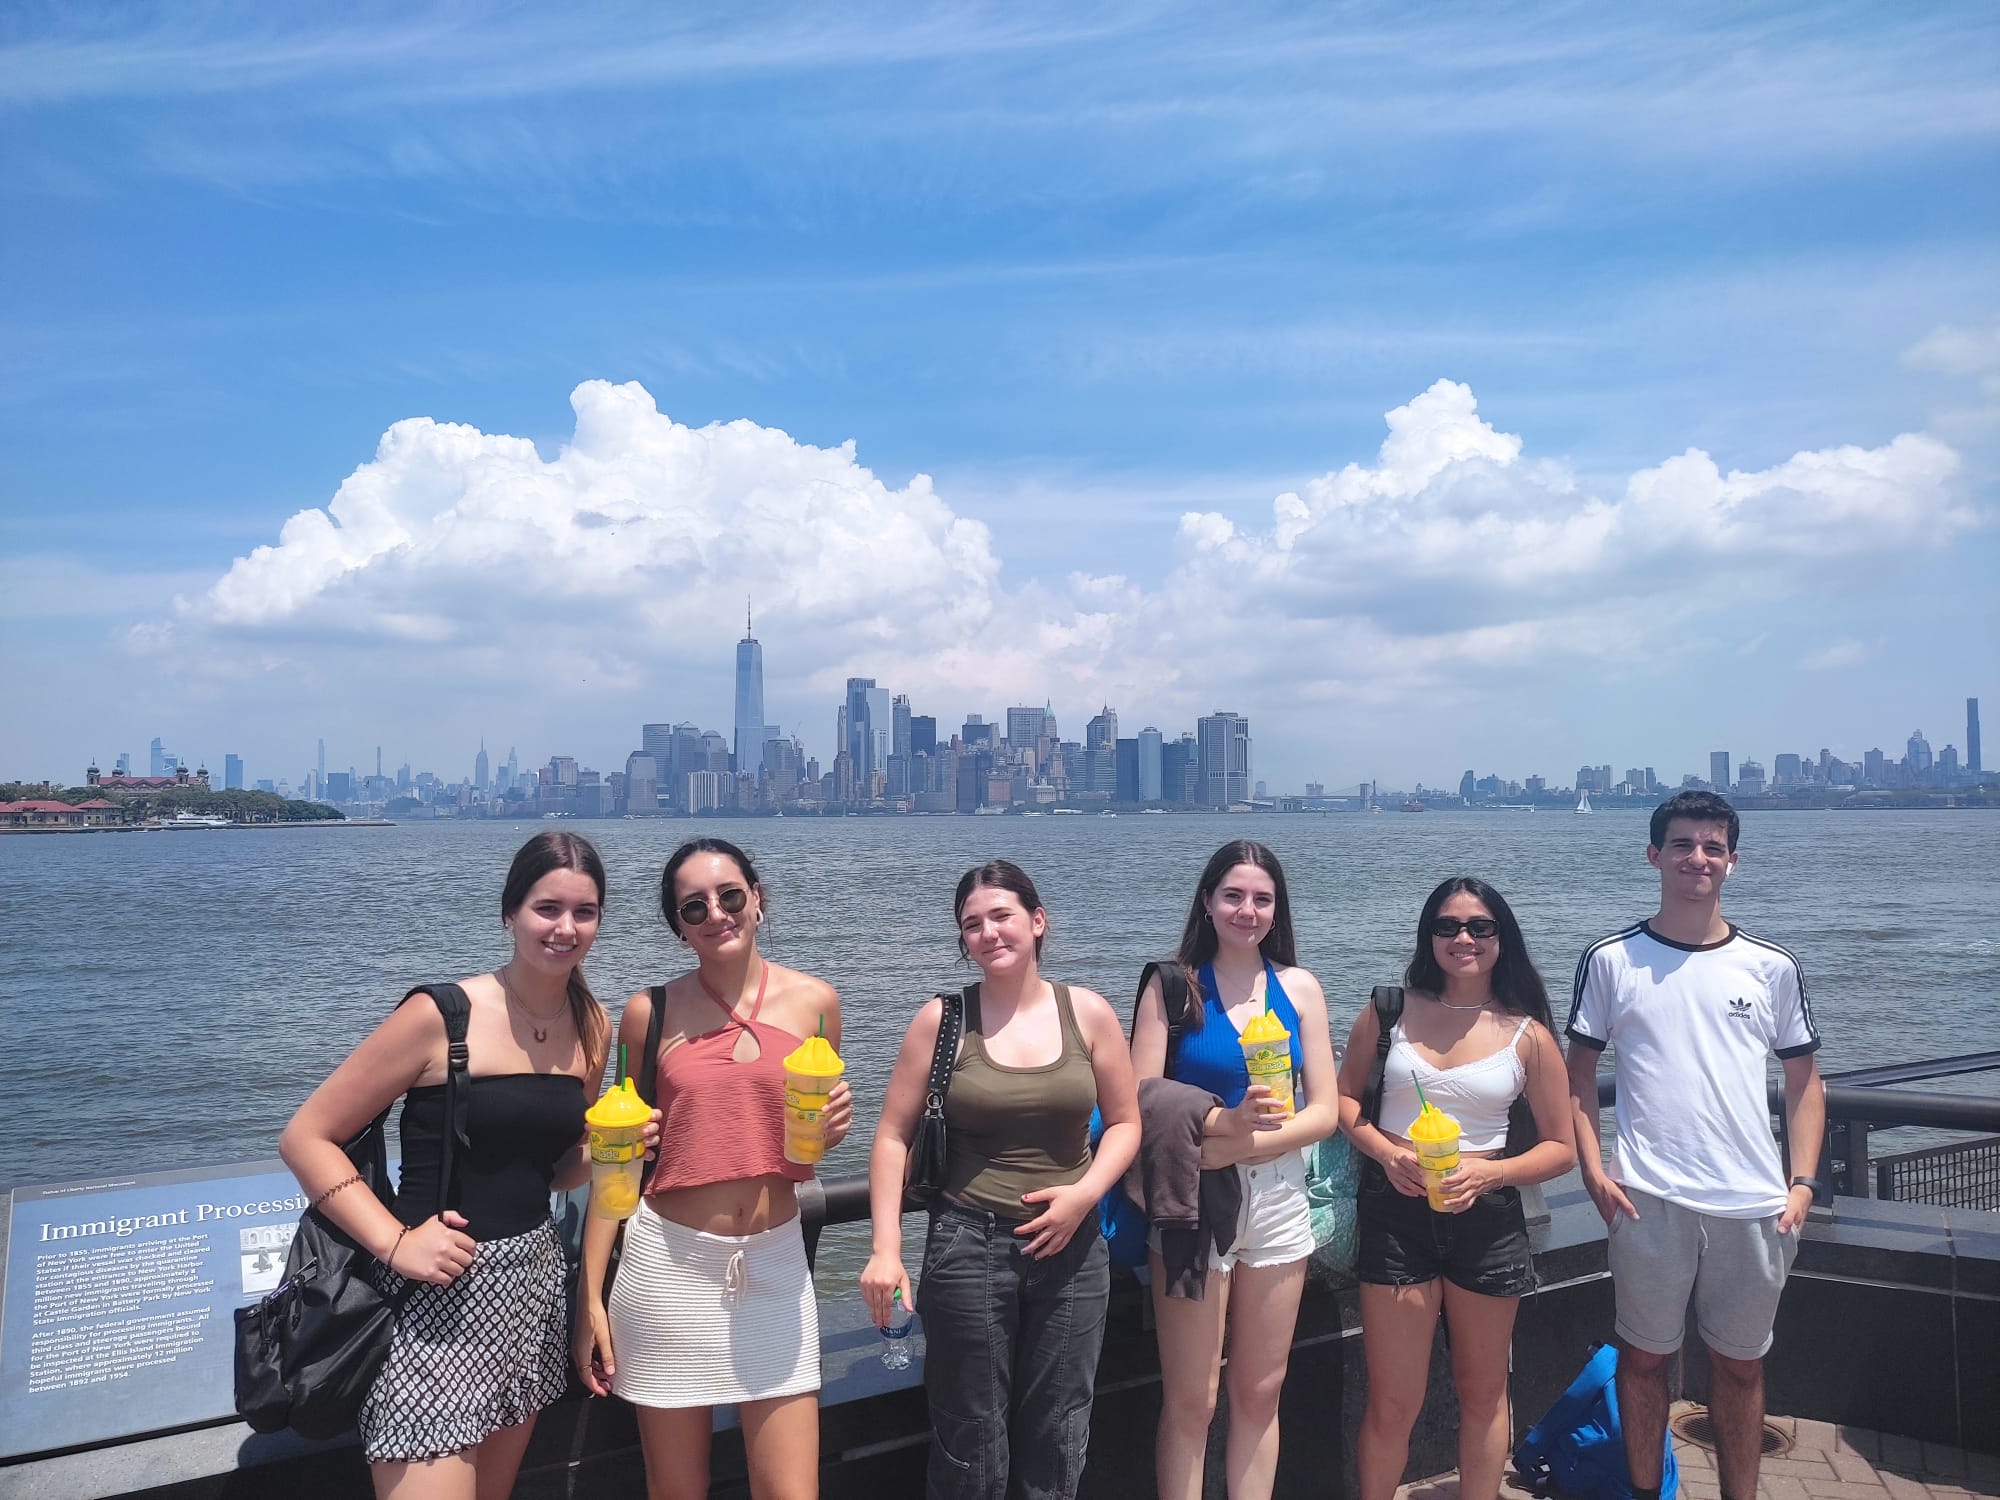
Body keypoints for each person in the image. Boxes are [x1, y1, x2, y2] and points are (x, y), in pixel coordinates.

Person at [279, 830, 616, 1500]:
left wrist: (613, 1149)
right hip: (428, 1307)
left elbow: (555, 1172)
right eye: (547, 908)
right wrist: (395, 1241)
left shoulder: (592, 1025)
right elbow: (306, 1137)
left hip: (530, 1297)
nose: (566, 927)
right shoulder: (441, 1015)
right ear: (509, 913)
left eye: (585, 912)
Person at [573, 837, 854, 1500]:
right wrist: (589, 1299)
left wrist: (830, 1136)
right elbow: (617, 1170)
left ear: (758, 900)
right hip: (668, 1271)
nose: (716, 914)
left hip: (778, 1267)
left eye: (730, 896)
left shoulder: (817, 1004)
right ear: (678, 927)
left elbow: (799, 1151)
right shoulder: (650, 1012)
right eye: (693, 907)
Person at [1566, 791, 1825, 1500]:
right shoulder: (1612, 959)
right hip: (1648, 1196)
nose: (1697, 858)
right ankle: (1647, 1493)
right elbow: (1578, 1076)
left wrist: (1802, 1182)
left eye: (1713, 847)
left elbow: (1804, 1081)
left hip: (1754, 1203)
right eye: (1682, 845)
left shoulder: (1770, 966)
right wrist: (1593, 1170)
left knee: (1740, 1367)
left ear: (1732, 861)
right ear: (1654, 855)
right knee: (1645, 1360)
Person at [862, 860, 1140, 1500]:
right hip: (968, 1244)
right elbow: (892, 1137)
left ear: (1038, 922)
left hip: (1072, 1247)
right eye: (972, 925)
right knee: (969, 1440)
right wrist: (885, 1249)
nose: (988, 933)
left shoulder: (1088, 1013)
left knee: (1060, 1431)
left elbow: (1125, 1123)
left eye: (1001, 916)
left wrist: (1085, 1196)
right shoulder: (943, 1020)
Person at [1335, 877, 1577, 1500]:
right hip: (1396, 1215)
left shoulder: (1528, 1035)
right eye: (1447, 926)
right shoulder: (1388, 1008)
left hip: (1488, 1221)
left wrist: (1490, 1171)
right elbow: (1342, 1101)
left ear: (1502, 938)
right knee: (1393, 1401)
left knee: (1483, 1391)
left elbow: (1560, 1148)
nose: (1463, 939)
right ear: (1429, 935)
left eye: (1479, 927)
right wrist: (1388, 1154)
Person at [1129, 840, 1341, 1500]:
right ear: (1207, 901)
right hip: (1195, 1200)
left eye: (1262, 899)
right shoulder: (1172, 985)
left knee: (1260, 1390)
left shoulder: (1298, 987)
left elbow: (1326, 1110)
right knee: (1194, 1400)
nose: (1247, 910)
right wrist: (1217, 1139)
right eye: (1234, 896)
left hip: (1278, 1197)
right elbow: (1141, 1099)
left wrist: (1239, 1146)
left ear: (1277, 911)